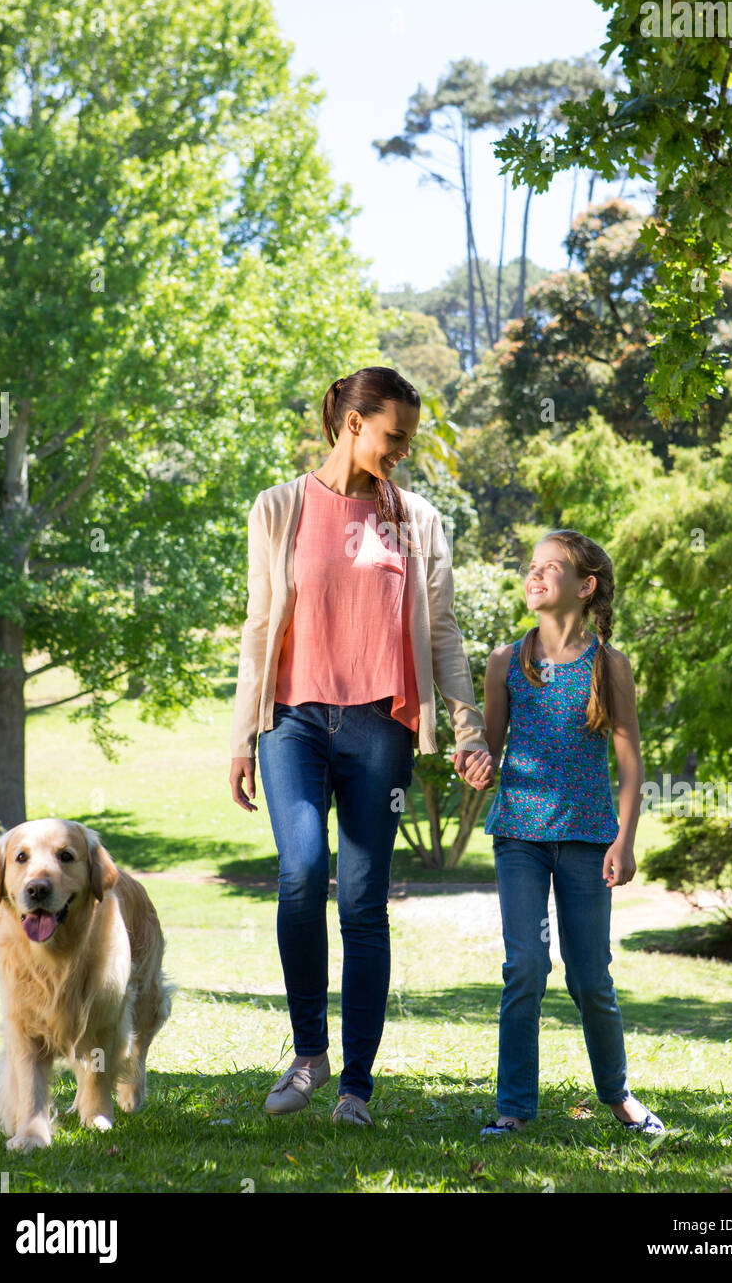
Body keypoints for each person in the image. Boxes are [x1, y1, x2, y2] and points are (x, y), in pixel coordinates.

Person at [228, 366, 493, 1127]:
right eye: (394, 436)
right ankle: (309, 1052)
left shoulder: (419, 523)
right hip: (294, 720)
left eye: (407, 438)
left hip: (382, 727)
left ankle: (357, 1087)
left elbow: (441, 634)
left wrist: (467, 729)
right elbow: (257, 631)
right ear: (352, 424)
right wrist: (243, 734)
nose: (403, 450)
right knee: (303, 870)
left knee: (365, 903)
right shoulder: (278, 509)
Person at [478, 530, 665, 1137]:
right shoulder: (506, 662)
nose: (533, 576)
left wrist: (626, 839)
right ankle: (513, 1110)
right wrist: (476, 759)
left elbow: (632, 761)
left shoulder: (609, 665)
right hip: (521, 838)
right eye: (530, 567)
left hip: (589, 841)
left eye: (549, 568)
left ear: (584, 587)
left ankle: (618, 1096)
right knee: (526, 966)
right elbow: (491, 752)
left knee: (590, 976)